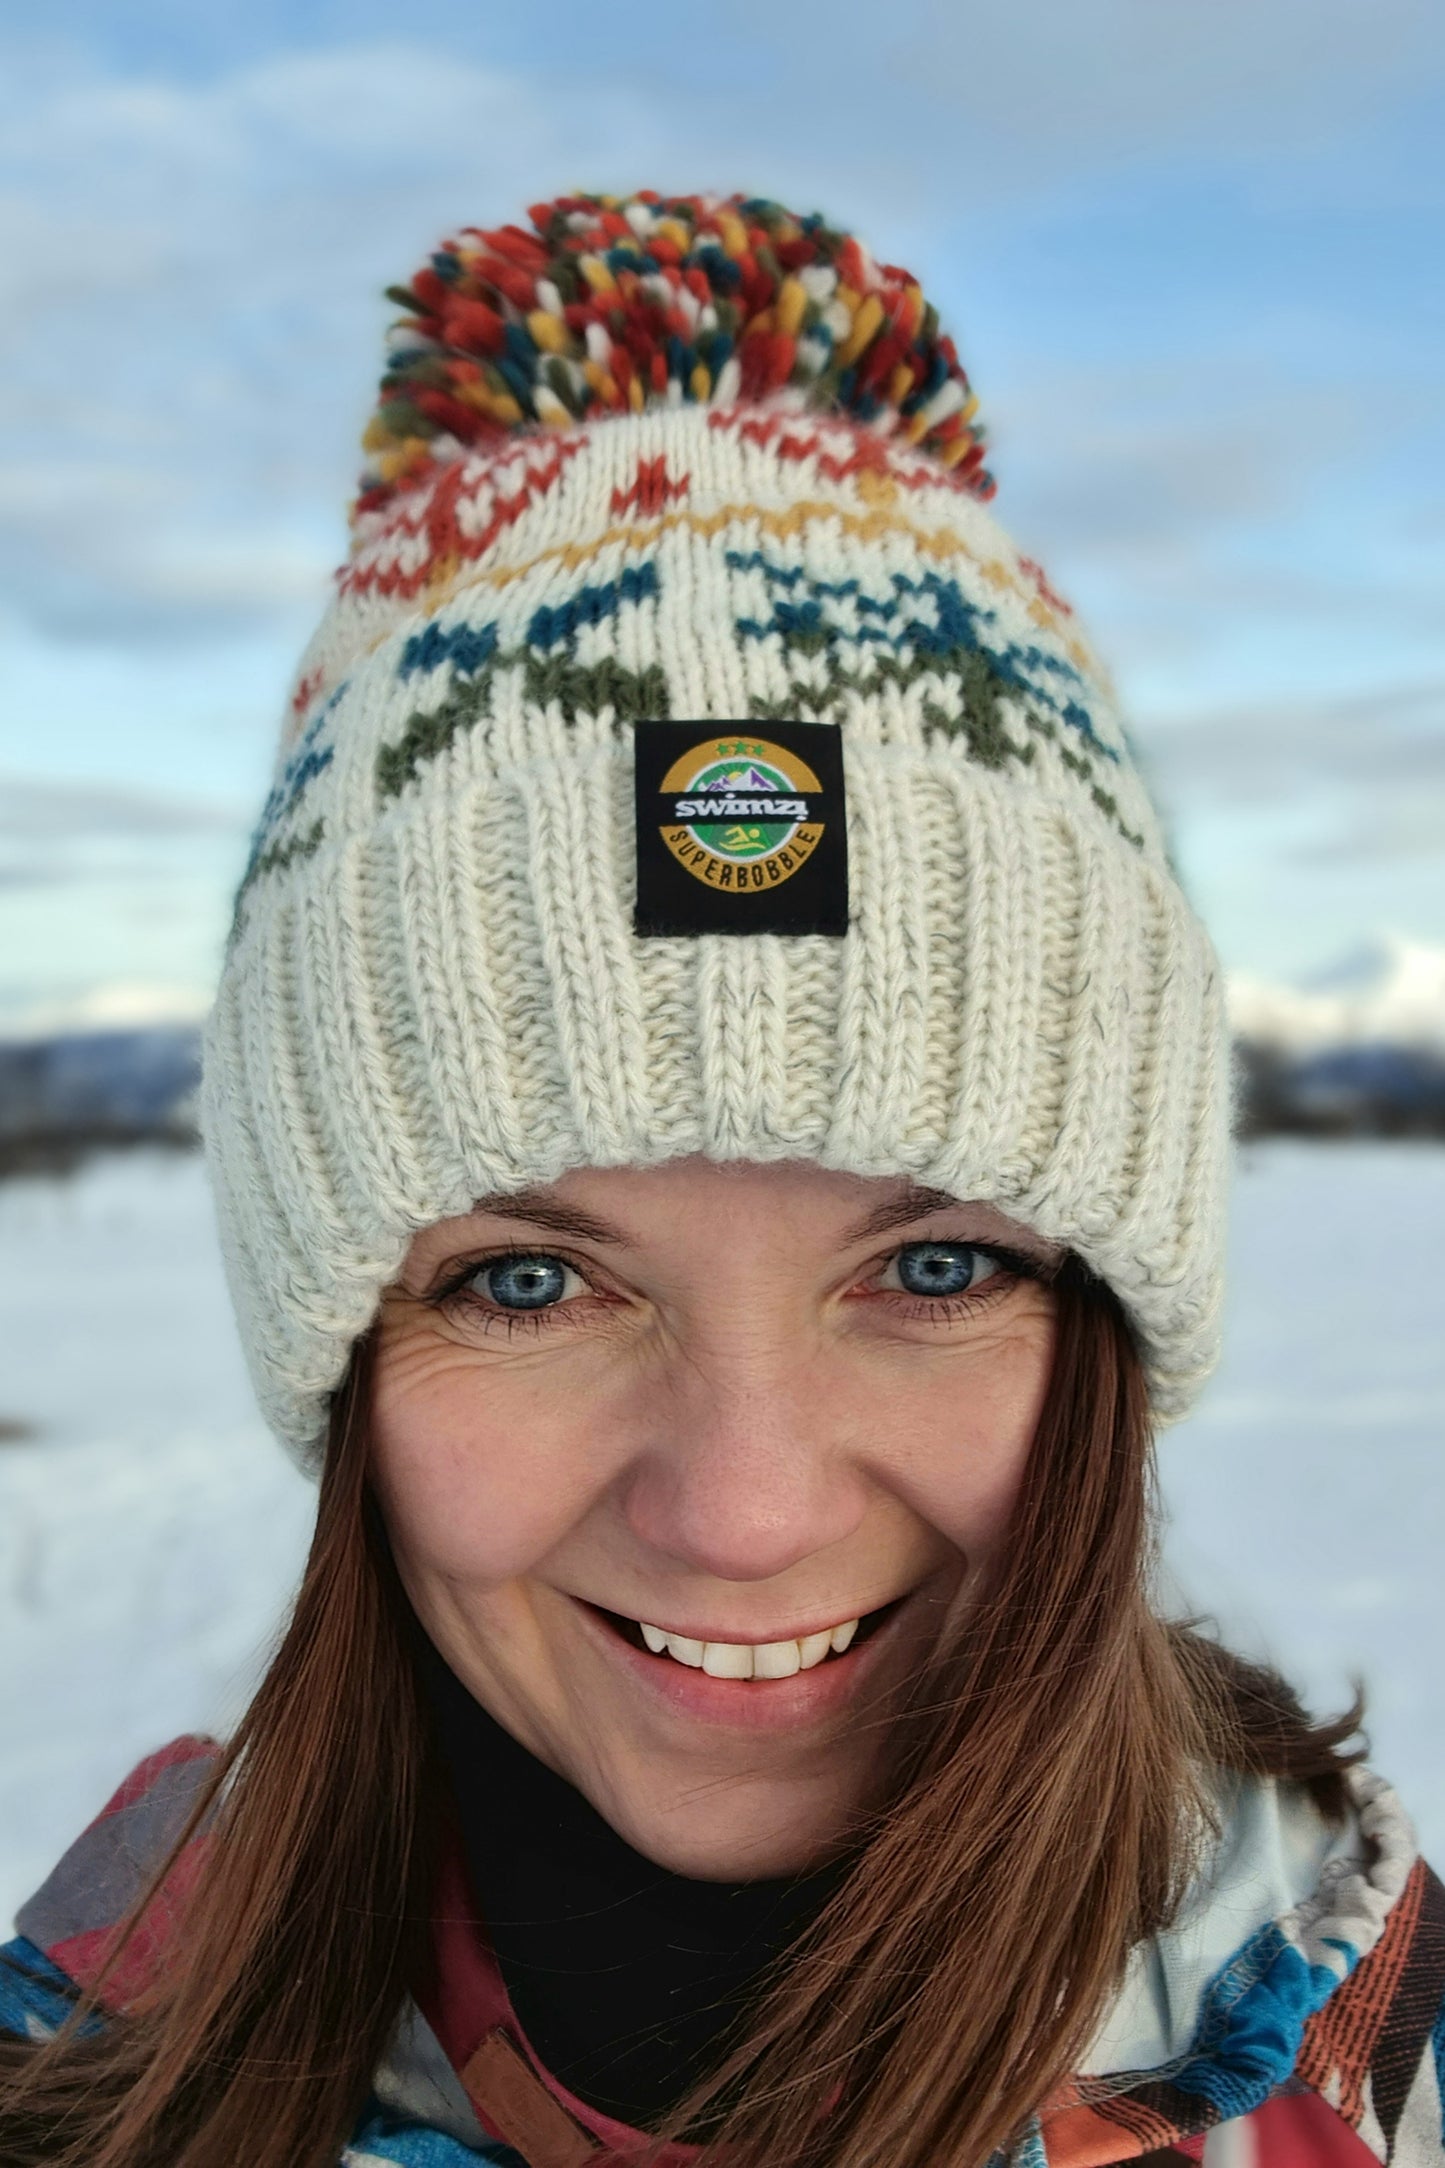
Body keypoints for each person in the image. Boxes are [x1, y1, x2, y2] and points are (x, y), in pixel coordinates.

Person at [0, 188, 1440, 2168]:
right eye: (528, 1282)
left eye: (934, 1268)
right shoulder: (86, 2071)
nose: (745, 1514)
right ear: (342, 1354)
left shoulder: (1359, 2050)